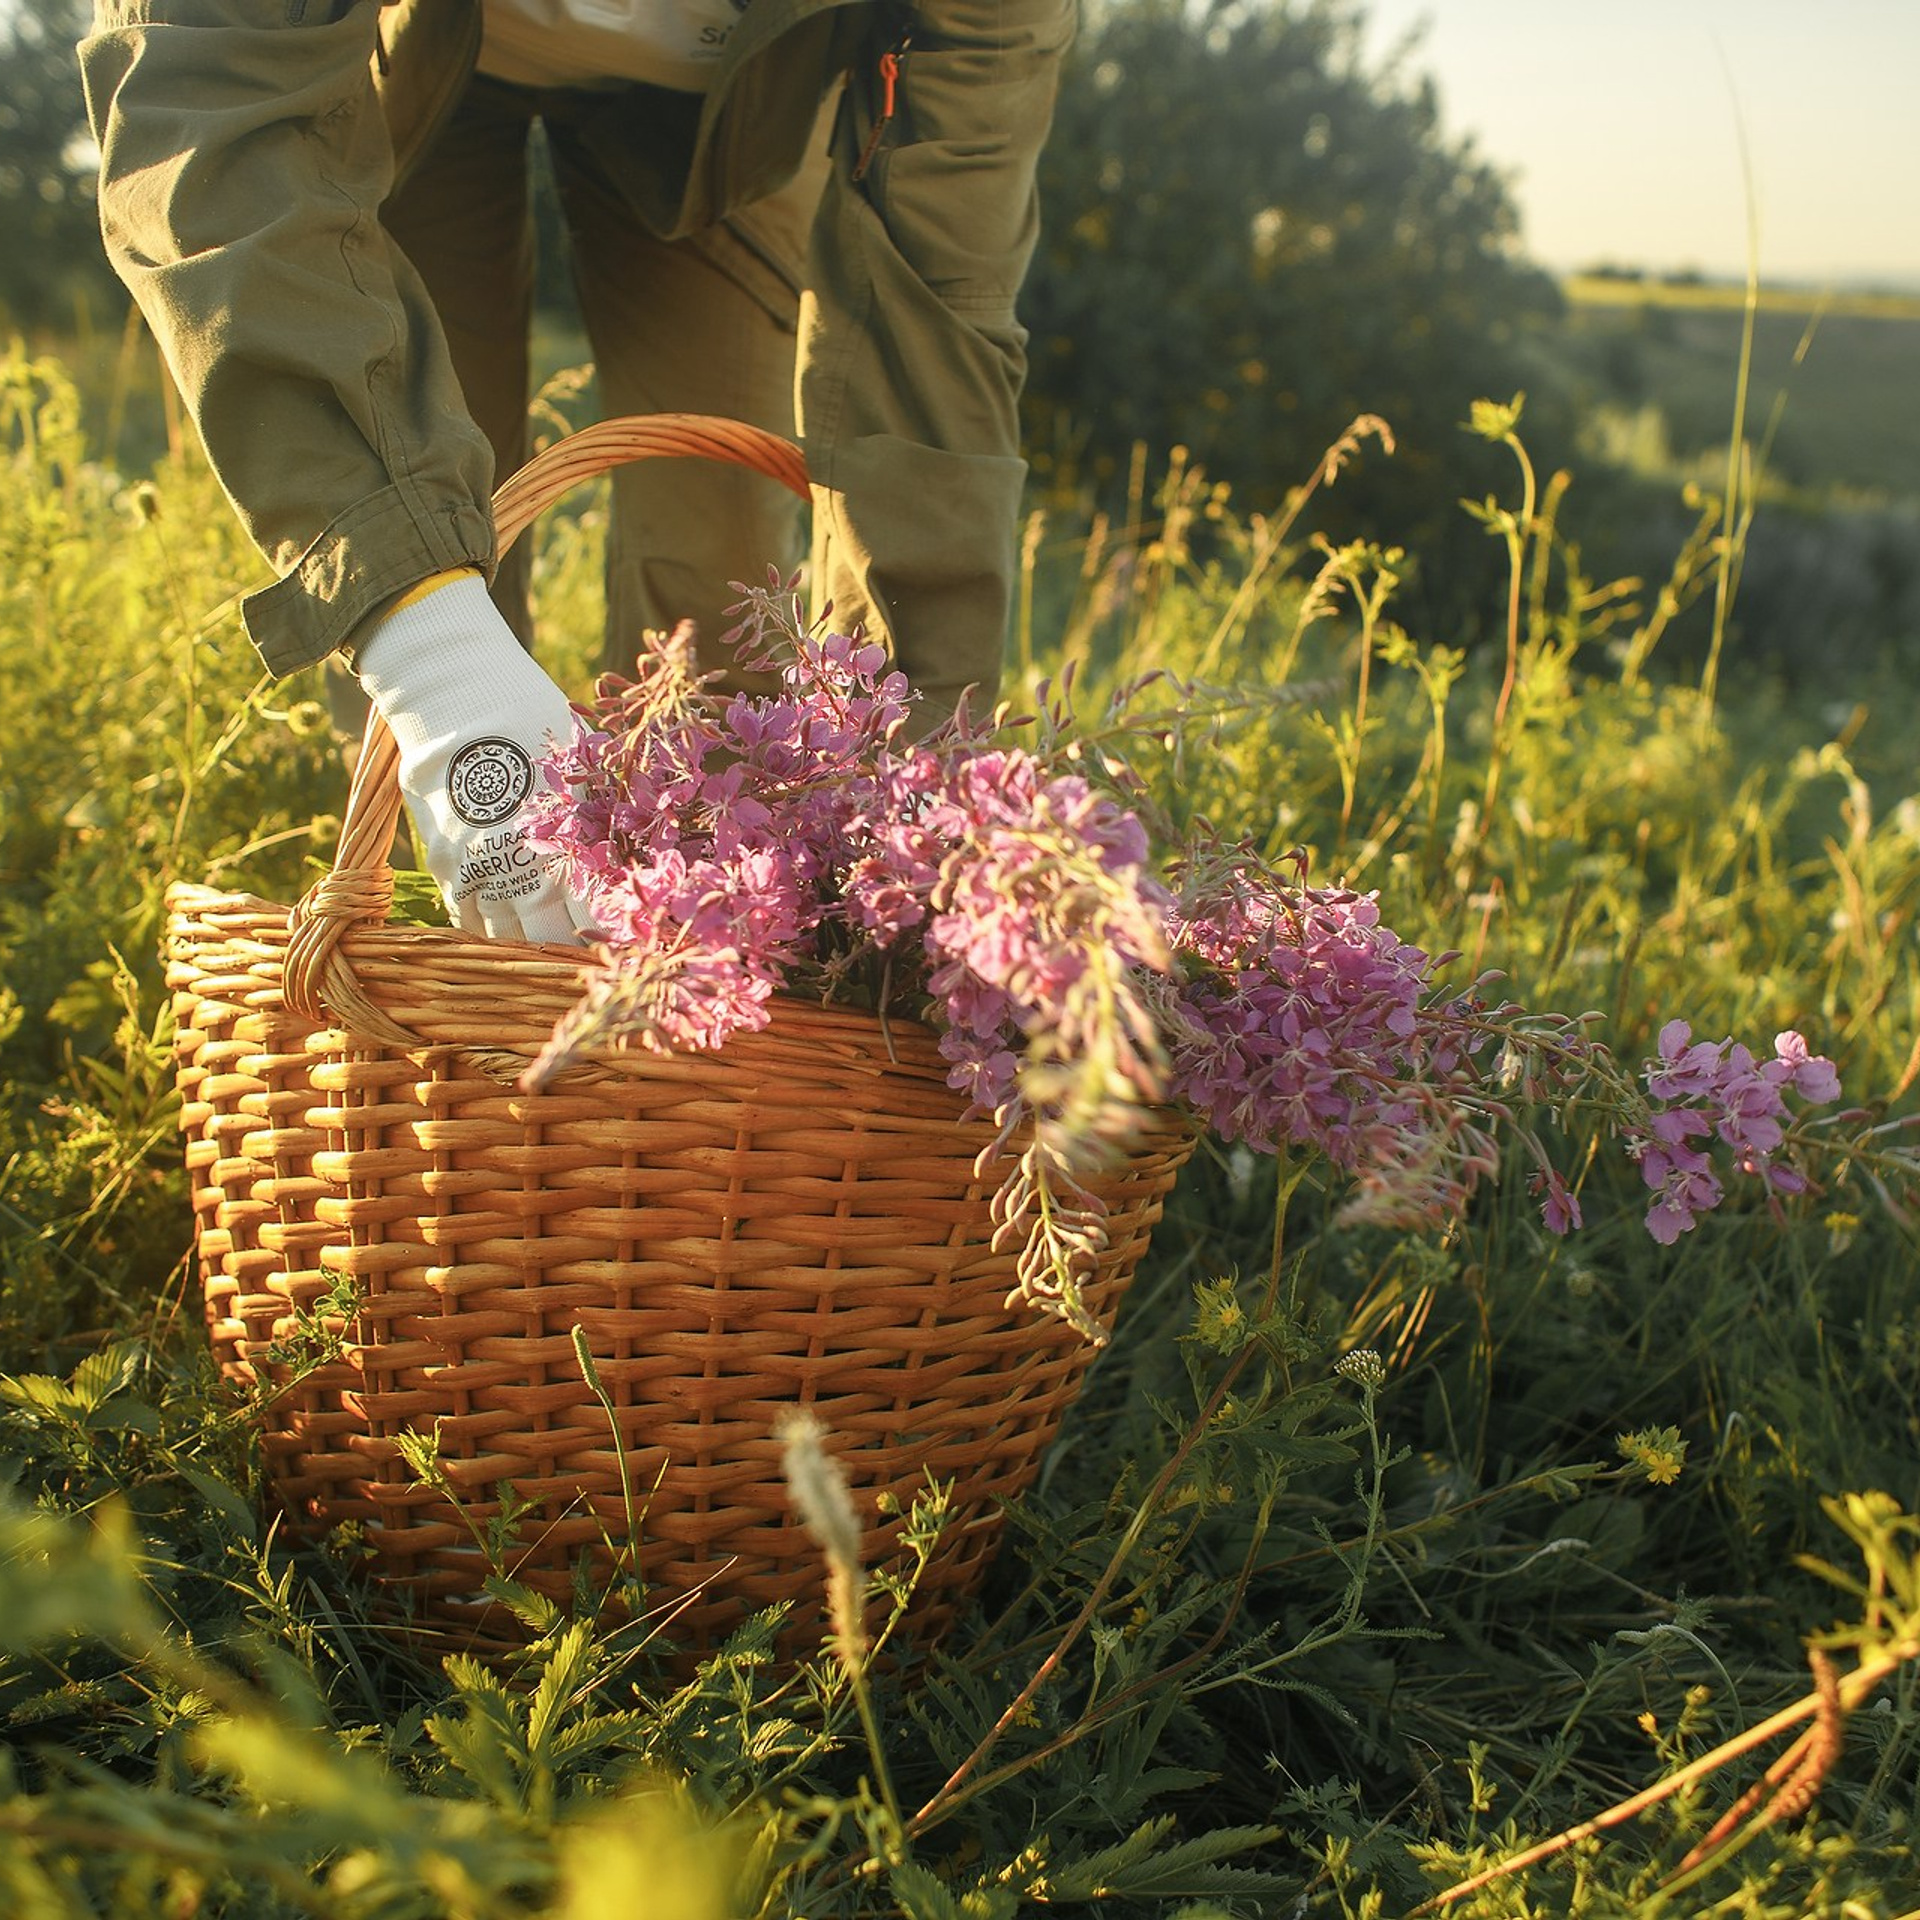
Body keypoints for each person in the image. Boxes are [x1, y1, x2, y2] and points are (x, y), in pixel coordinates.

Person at [79, 0, 1071, 941]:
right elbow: (200, 118)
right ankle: (467, 1030)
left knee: (715, 603)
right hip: (416, 56)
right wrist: (433, 655)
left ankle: (698, 1064)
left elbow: (940, 294)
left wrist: (917, 773)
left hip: (721, 112)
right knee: (432, 588)